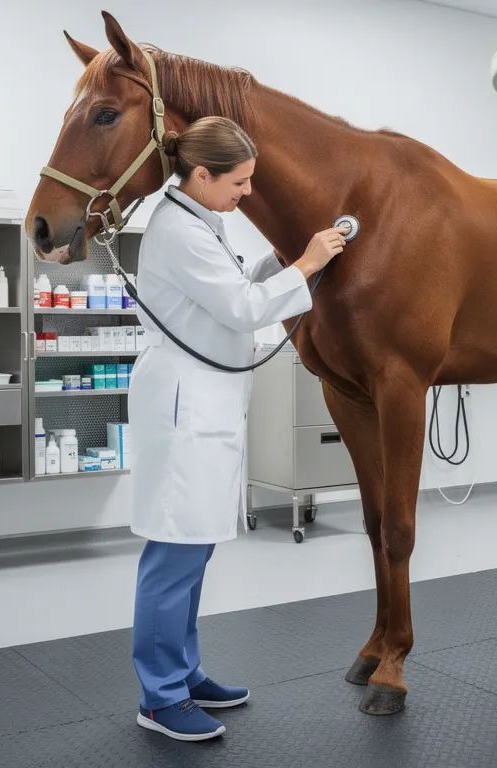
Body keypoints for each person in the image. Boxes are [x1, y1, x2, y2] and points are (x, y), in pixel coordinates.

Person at [129, 115, 349, 742]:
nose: (247, 193)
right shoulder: (178, 231)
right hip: (184, 409)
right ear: (201, 174)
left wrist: (274, 265)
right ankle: (160, 696)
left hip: (207, 403)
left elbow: (230, 291)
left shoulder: (203, 220)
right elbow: (242, 309)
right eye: (240, 182)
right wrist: (304, 264)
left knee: (193, 550)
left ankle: (185, 673)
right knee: (173, 554)